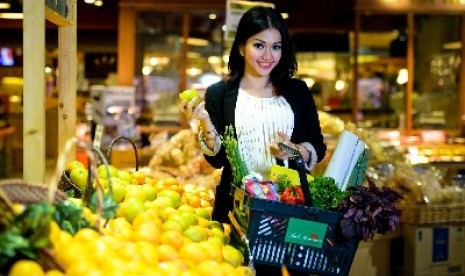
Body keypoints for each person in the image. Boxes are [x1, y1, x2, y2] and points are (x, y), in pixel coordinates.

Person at [179, 6, 326, 225]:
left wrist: (295, 151)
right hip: (235, 208)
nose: (268, 56)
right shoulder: (219, 93)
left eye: (276, 47)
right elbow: (217, 160)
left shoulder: (298, 91)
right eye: (259, 45)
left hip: (289, 206)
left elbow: (317, 146)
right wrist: (205, 120)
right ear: (241, 47)